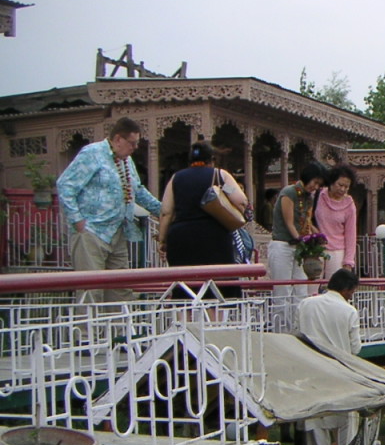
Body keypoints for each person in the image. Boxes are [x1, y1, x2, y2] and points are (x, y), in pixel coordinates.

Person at [56, 116, 162, 303]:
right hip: (92, 232)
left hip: (117, 232)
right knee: (91, 291)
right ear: (118, 139)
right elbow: (65, 185)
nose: (134, 148)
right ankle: (86, 333)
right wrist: (78, 222)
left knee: (121, 290)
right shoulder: (92, 153)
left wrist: (163, 210)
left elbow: (137, 190)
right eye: (132, 143)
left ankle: (120, 332)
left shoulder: (125, 161)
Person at [156, 141, 248, 296]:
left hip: (182, 238)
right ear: (211, 159)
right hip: (214, 237)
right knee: (217, 288)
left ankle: (183, 320)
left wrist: (163, 240)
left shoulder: (176, 178)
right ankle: (214, 320)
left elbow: (166, 212)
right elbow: (241, 200)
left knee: (184, 288)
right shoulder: (219, 176)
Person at [297, 268, 362, 445]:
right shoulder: (349, 311)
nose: (351, 296)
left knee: (315, 423)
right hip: (340, 373)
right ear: (346, 289)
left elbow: (299, 334)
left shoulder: (306, 305)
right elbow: (355, 348)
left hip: (312, 372)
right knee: (348, 421)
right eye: (352, 292)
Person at [268, 162, 327, 330]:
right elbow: (289, 223)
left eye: (318, 185)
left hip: (299, 248)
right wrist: (303, 240)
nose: (315, 187)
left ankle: (297, 328)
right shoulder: (289, 192)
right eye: (314, 182)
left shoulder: (308, 197)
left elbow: (306, 222)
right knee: (282, 291)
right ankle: (280, 330)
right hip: (283, 245)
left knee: (300, 290)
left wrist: (318, 235)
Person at [315, 163, 358, 281]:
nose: (342, 189)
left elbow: (351, 234)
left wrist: (349, 261)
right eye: (340, 185)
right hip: (315, 246)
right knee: (310, 285)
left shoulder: (349, 204)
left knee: (335, 287)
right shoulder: (318, 195)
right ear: (332, 182)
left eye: (346, 186)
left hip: (337, 250)